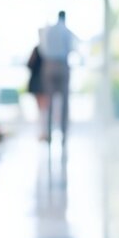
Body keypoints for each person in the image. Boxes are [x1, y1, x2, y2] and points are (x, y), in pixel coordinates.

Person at [39, 11, 79, 143]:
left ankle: (49, 133)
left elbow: (43, 49)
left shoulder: (49, 31)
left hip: (49, 66)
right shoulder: (66, 31)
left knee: (49, 101)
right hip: (62, 65)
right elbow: (71, 49)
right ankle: (63, 134)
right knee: (64, 102)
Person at [26, 46, 49, 137]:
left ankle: (44, 132)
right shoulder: (45, 50)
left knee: (42, 110)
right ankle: (43, 132)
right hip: (41, 83)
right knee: (43, 110)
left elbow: (29, 65)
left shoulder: (39, 49)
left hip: (39, 83)